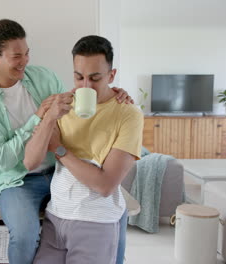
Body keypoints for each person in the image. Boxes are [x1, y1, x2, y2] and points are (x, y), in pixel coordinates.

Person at [0, 19, 132, 264]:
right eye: (16, 56)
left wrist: (111, 93)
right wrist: (37, 119)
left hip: (58, 171)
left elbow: (76, 109)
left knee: (118, 210)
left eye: (27, 53)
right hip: (17, 180)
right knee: (24, 235)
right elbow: (2, 159)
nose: (24, 61)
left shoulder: (43, 77)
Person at [25, 35, 143, 264]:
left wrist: (59, 149)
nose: (85, 86)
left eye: (95, 78)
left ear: (111, 75)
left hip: (95, 224)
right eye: (79, 77)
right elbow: (30, 161)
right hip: (55, 219)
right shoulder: (61, 106)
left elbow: (105, 184)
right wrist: (49, 119)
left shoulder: (128, 114)